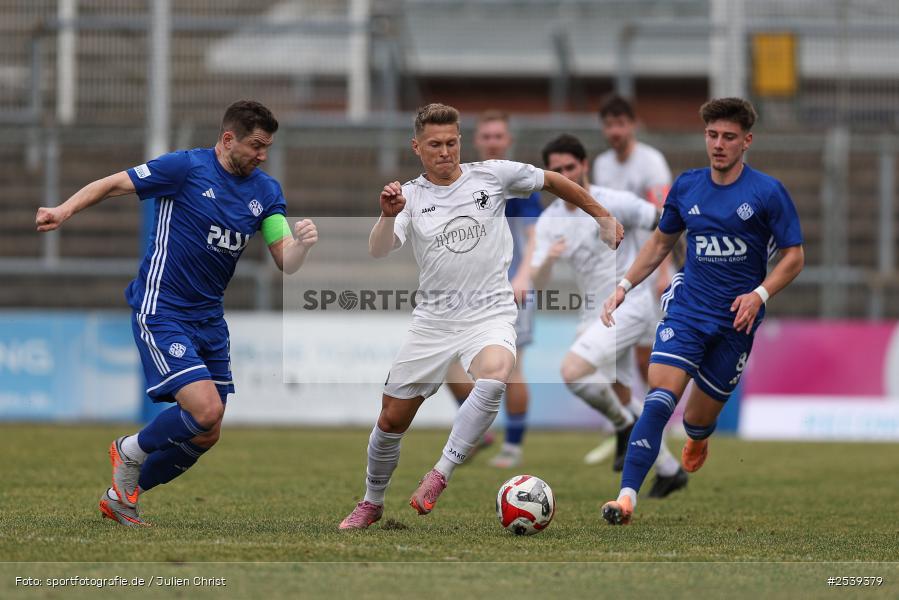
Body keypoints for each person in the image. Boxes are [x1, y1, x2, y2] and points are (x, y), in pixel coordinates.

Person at [339, 103, 622, 530]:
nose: (445, 152)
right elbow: (379, 249)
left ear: (460, 141)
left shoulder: (491, 175)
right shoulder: (410, 196)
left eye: (451, 142)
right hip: (434, 321)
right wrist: (386, 215)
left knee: (496, 374)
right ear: (416, 147)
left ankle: (441, 473)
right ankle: (372, 501)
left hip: (489, 312)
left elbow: (553, 180)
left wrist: (601, 215)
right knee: (391, 419)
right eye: (434, 145)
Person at [35, 100, 318, 527]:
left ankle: (120, 498)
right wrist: (63, 210)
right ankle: (129, 450)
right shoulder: (184, 168)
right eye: (257, 146)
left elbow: (285, 260)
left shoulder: (266, 192)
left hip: (210, 321)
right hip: (162, 310)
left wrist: (303, 246)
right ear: (228, 139)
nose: (263, 155)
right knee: (205, 411)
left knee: (208, 432)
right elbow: (112, 184)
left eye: (267, 147)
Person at [600, 98, 804, 525]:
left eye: (729, 137)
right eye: (712, 135)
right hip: (688, 310)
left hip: (736, 322)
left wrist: (759, 294)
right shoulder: (688, 186)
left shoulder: (767, 192)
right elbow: (660, 242)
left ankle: (697, 436)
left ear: (746, 141)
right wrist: (623, 286)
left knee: (696, 420)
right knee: (658, 400)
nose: (719, 144)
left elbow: (794, 257)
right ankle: (626, 498)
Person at [532, 134, 687, 499]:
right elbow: (537, 281)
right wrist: (548, 261)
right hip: (593, 311)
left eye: (570, 166)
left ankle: (622, 425)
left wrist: (677, 271)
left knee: (572, 372)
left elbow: (666, 224)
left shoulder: (615, 201)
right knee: (619, 393)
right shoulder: (550, 221)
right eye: (557, 170)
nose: (565, 174)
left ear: (584, 165)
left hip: (629, 305)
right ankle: (668, 469)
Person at [444, 110, 542, 469]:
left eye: (498, 136)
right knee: (447, 364)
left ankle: (513, 446)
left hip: (511, 288)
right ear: (476, 140)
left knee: (512, 369)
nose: (493, 142)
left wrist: (524, 276)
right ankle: (479, 431)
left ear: (508, 140)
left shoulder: (518, 180)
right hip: (469, 290)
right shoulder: (465, 178)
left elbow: (534, 235)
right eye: (486, 136)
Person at [585, 93, 676, 466]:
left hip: (648, 272)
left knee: (644, 360)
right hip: (617, 274)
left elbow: (667, 218)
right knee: (613, 361)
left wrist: (664, 271)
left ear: (633, 125)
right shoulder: (602, 165)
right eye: (609, 124)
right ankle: (626, 429)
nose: (615, 131)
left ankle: (656, 429)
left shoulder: (651, 163)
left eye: (621, 123)